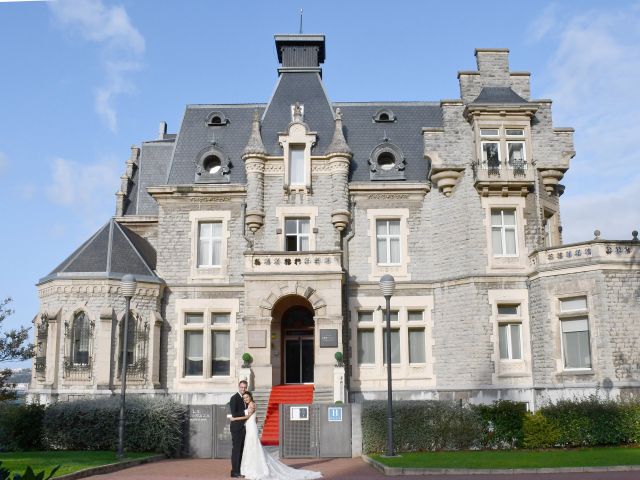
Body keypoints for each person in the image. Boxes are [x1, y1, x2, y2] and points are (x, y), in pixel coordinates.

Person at [231, 391, 322, 480]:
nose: (246, 399)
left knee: (253, 446)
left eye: (247, 397)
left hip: (251, 428)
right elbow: (254, 417)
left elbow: (247, 416)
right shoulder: (249, 404)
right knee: (250, 446)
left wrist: (234, 418)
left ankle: (256, 468)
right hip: (249, 427)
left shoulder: (251, 404)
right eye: (244, 398)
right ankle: (250, 467)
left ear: (250, 397)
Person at [229, 380, 248, 478]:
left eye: (245, 387)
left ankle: (237, 471)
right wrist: (246, 412)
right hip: (236, 428)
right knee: (236, 450)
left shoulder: (245, 398)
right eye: (241, 387)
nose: (243, 389)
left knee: (241, 450)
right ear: (238, 387)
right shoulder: (234, 398)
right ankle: (235, 472)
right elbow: (234, 413)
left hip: (243, 428)